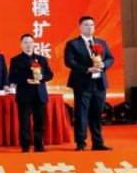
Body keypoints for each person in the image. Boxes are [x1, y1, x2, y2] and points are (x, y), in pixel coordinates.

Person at [64, 15, 115, 151]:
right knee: (81, 114)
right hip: (82, 83)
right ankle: (81, 143)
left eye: (92, 25)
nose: (90, 27)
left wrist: (104, 65)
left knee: (97, 113)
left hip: (99, 83)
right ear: (80, 27)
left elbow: (110, 58)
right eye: (86, 25)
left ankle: (98, 143)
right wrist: (87, 69)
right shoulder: (73, 44)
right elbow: (69, 62)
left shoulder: (101, 42)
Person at [9, 33, 55, 152]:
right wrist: (26, 80)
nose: (28, 45)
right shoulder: (16, 60)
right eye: (25, 42)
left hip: (40, 95)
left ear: (34, 44)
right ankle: (25, 146)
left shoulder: (42, 59)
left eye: (30, 42)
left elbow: (50, 74)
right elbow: (12, 77)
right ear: (21, 45)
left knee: (40, 122)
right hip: (25, 95)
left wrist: (42, 77)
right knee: (24, 123)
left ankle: (39, 145)